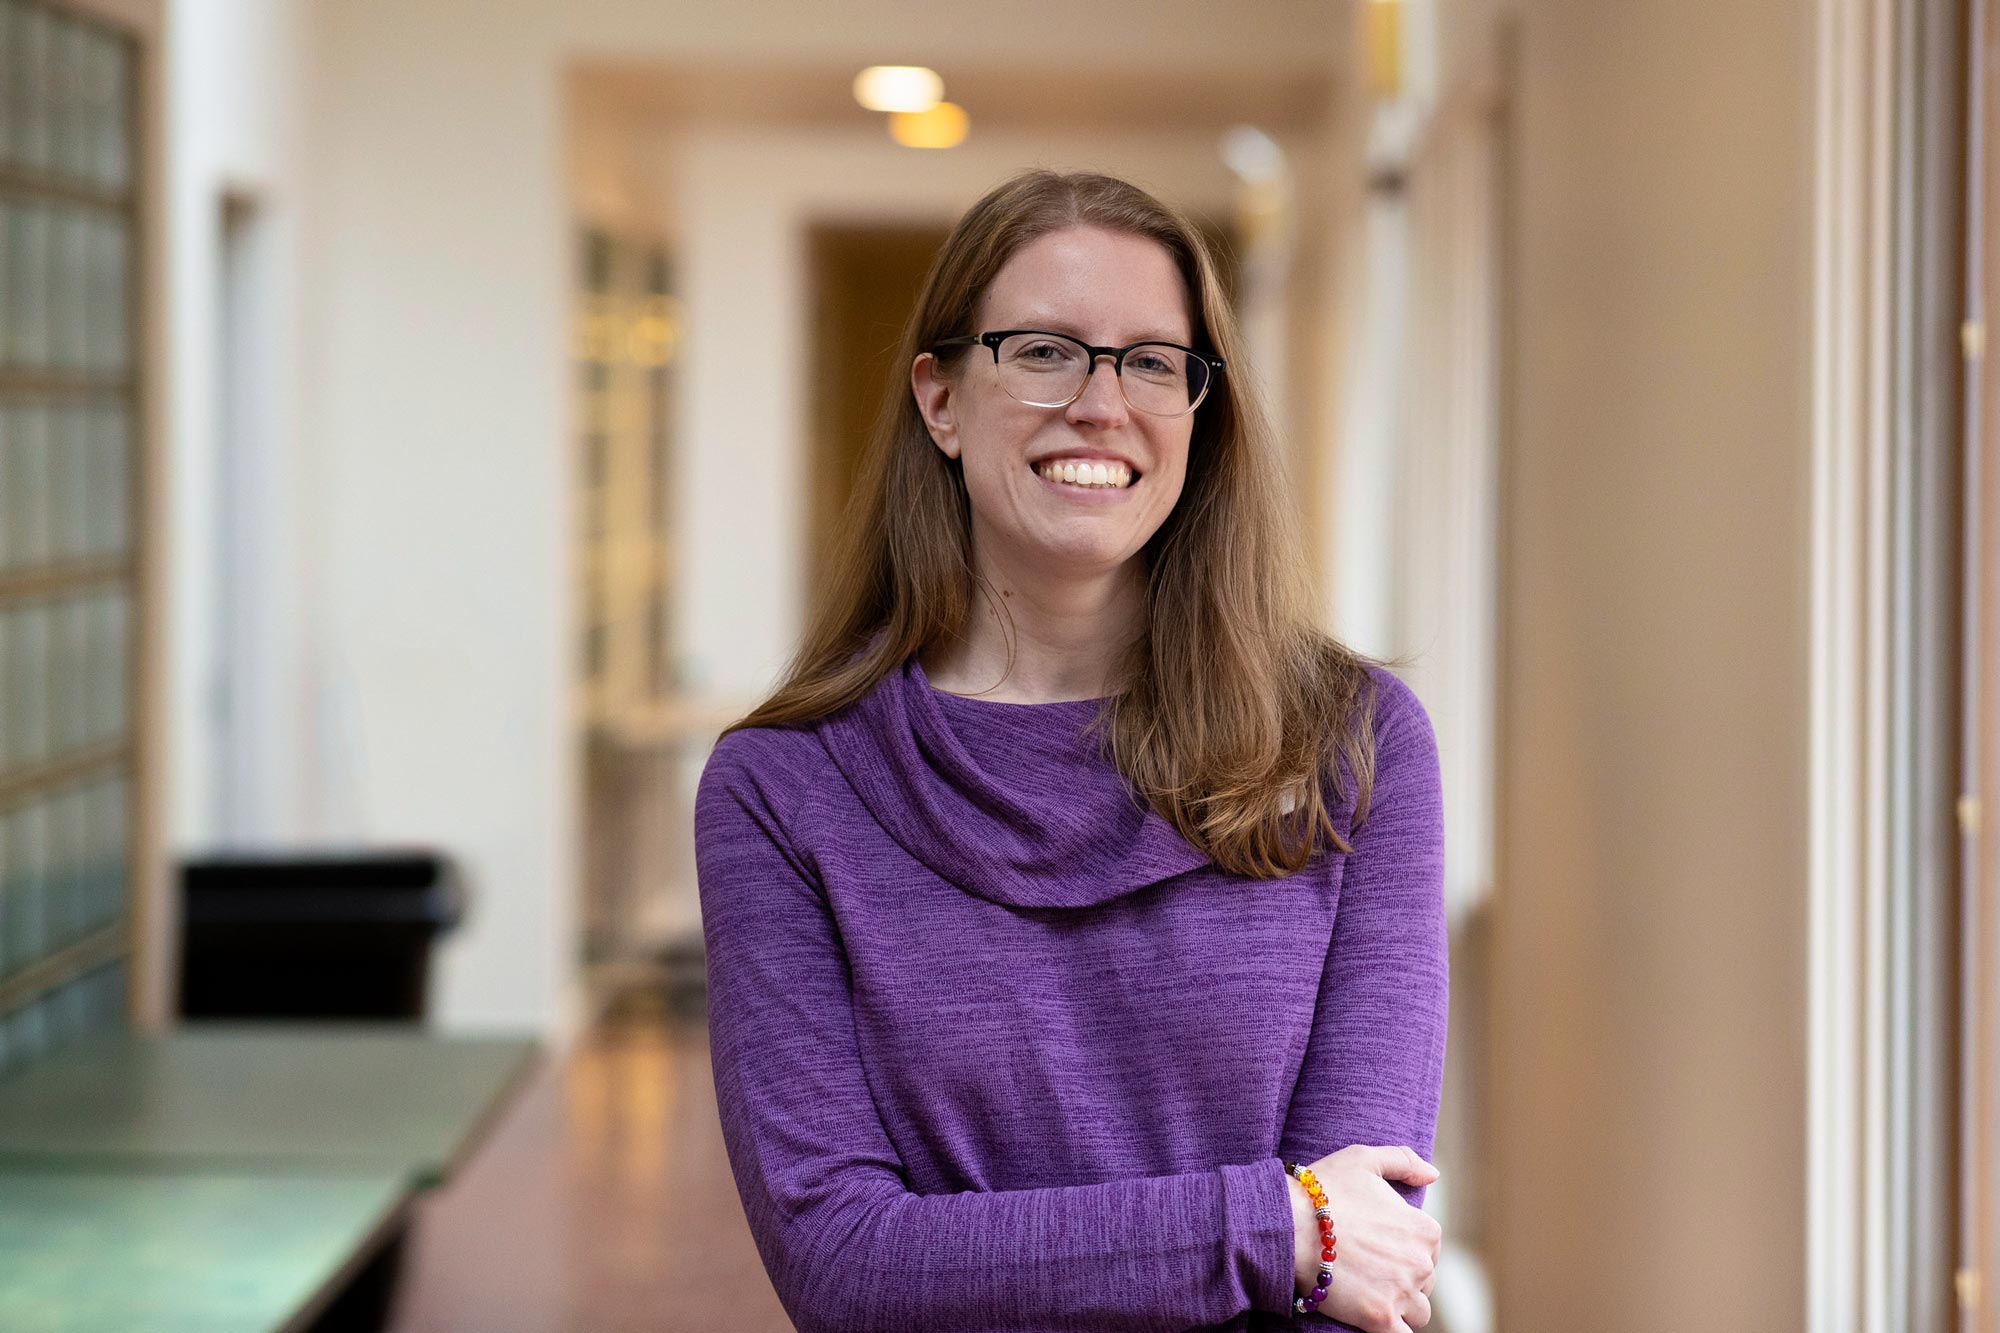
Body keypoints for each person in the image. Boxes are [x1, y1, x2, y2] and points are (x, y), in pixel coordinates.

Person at [694, 168, 1447, 1333]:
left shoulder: (1352, 745)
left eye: (1151, 360)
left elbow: (1366, 1234)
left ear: (1200, 408)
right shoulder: (785, 789)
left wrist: (1311, 1229)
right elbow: (843, 1264)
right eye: (1043, 349)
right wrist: (1274, 1227)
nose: (1103, 404)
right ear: (939, 400)